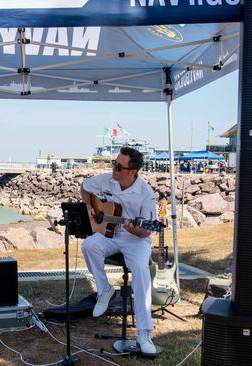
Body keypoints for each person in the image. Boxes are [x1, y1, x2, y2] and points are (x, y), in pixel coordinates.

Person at [80, 147, 157, 356]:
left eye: (119, 167)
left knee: (141, 270)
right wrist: (90, 206)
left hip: (135, 240)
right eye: (114, 164)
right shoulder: (107, 179)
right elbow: (84, 187)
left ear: (133, 171)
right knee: (89, 245)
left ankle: (144, 333)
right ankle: (105, 290)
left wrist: (137, 230)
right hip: (109, 234)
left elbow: (146, 231)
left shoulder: (146, 193)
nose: (113, 169)